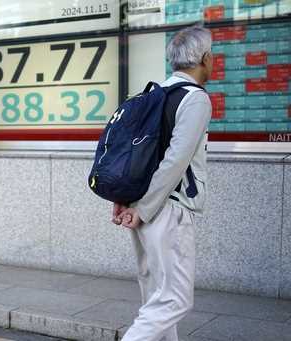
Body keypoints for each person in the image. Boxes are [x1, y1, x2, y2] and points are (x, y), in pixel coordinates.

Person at [113, 26, 213, 341]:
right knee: (175, 299)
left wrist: (126, 200)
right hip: (167, 209)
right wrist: (142, 208)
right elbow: (175, 161)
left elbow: (128, 153)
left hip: (143, 206)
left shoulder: (152, 95)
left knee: (157, 297)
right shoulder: (195, 99)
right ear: (205, 58)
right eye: (213, 55)